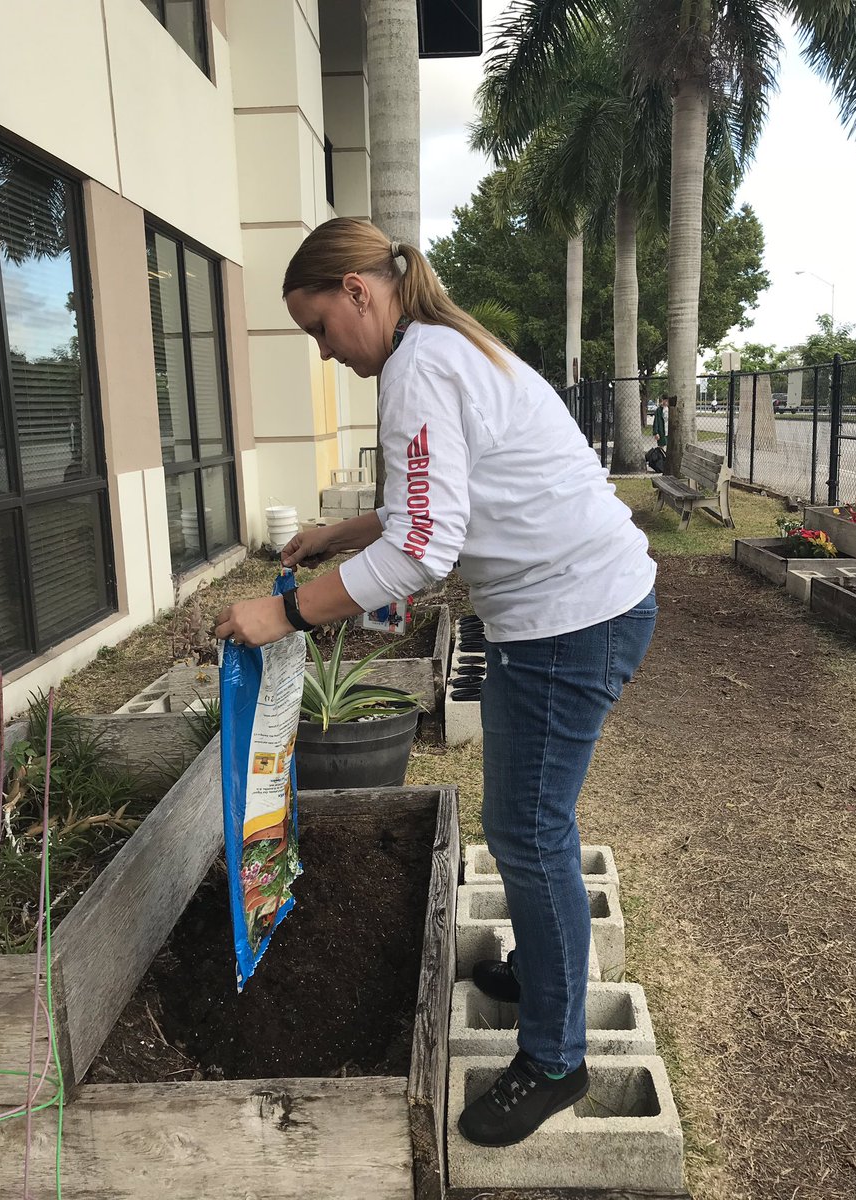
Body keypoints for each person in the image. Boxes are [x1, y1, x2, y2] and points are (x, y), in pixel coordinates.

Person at [214, 218, 657, 1147]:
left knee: (528, 832)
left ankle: (555, 1058)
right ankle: (547, 981)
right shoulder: (446, 347)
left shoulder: (421, 365)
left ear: (359, 293)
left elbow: (425, 549)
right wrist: (344, 533)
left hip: (571, 619)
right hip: (574, 607)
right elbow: (441, 500)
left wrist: (284, 614)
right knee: (532, 824)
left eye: (320, 328)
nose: (326, 351)